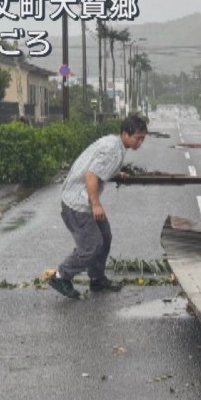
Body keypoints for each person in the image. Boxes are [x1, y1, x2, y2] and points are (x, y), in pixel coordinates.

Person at [48, 115, 148, 299]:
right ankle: (61, 276)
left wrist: (116, 173)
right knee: (92, 246)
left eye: (143, 138)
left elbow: (99, 167)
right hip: (78, 204)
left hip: (81, 200)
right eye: (138, 138)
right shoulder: (112, 149)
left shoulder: (115, 144)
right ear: (126, 133)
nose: (140, 142)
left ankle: (97, 279)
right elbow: (91, 176)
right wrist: (96, 204)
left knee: (105, 237)